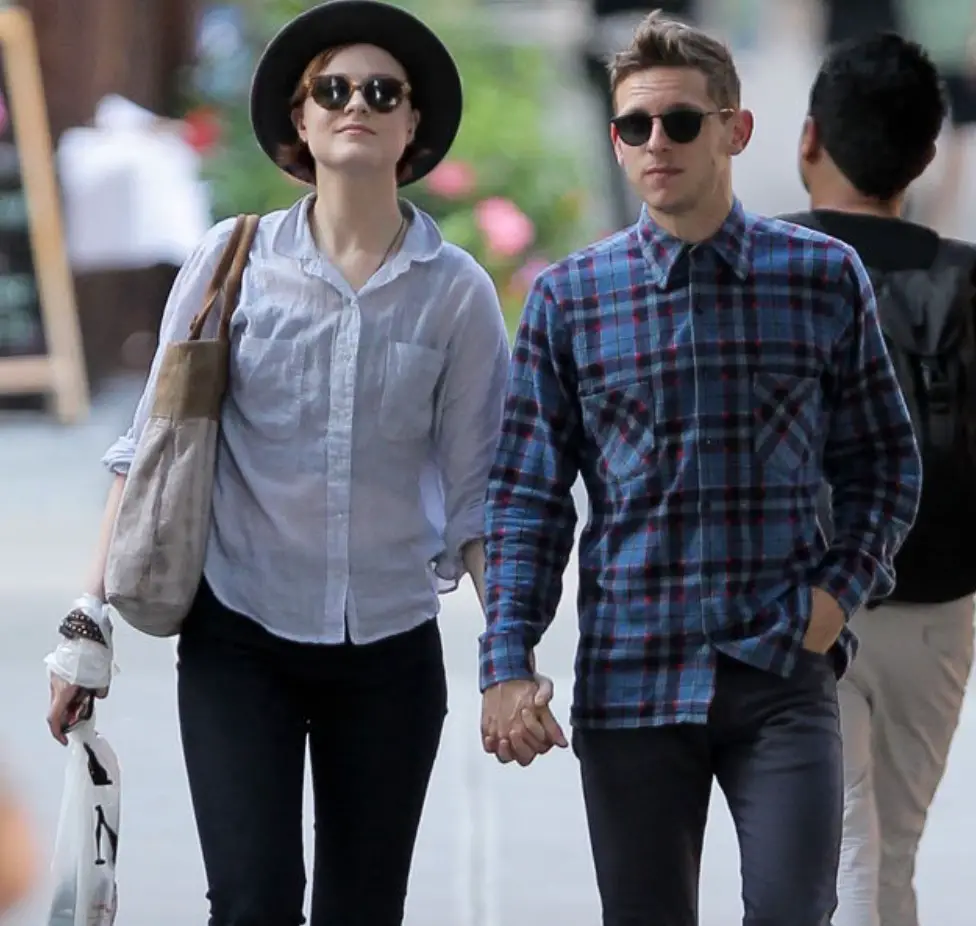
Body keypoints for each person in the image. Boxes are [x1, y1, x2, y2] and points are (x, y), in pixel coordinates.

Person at [44, 2, 517, 923]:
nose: (356, 105)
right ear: (300, 120)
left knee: (363, 909)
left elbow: (478, 502)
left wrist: (508, 658)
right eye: (331, 90)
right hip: (239, 636)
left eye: (382, 92)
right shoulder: (231, 261)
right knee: (252, 902)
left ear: (412, 126)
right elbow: (146, 450)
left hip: (389, 650)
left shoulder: (456, 294)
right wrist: (86, 621)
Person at [479, 11, 922, 926]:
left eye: (681, 121)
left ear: (735, 129)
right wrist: (506, 660)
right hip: (631, 678)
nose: (657, 142)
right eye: (634, 124)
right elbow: (528, 499)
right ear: (616, 139)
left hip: (782, 670)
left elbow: (884, 461)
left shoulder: (822, 276)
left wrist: (836, 596)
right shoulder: (569, 299)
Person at [782, 33, 976, 926]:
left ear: (808, 139)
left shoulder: (766, 266)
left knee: (843, 849)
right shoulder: (965, 278)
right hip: (937, 603)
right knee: (885, 848)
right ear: (927, 157)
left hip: (803, 598)